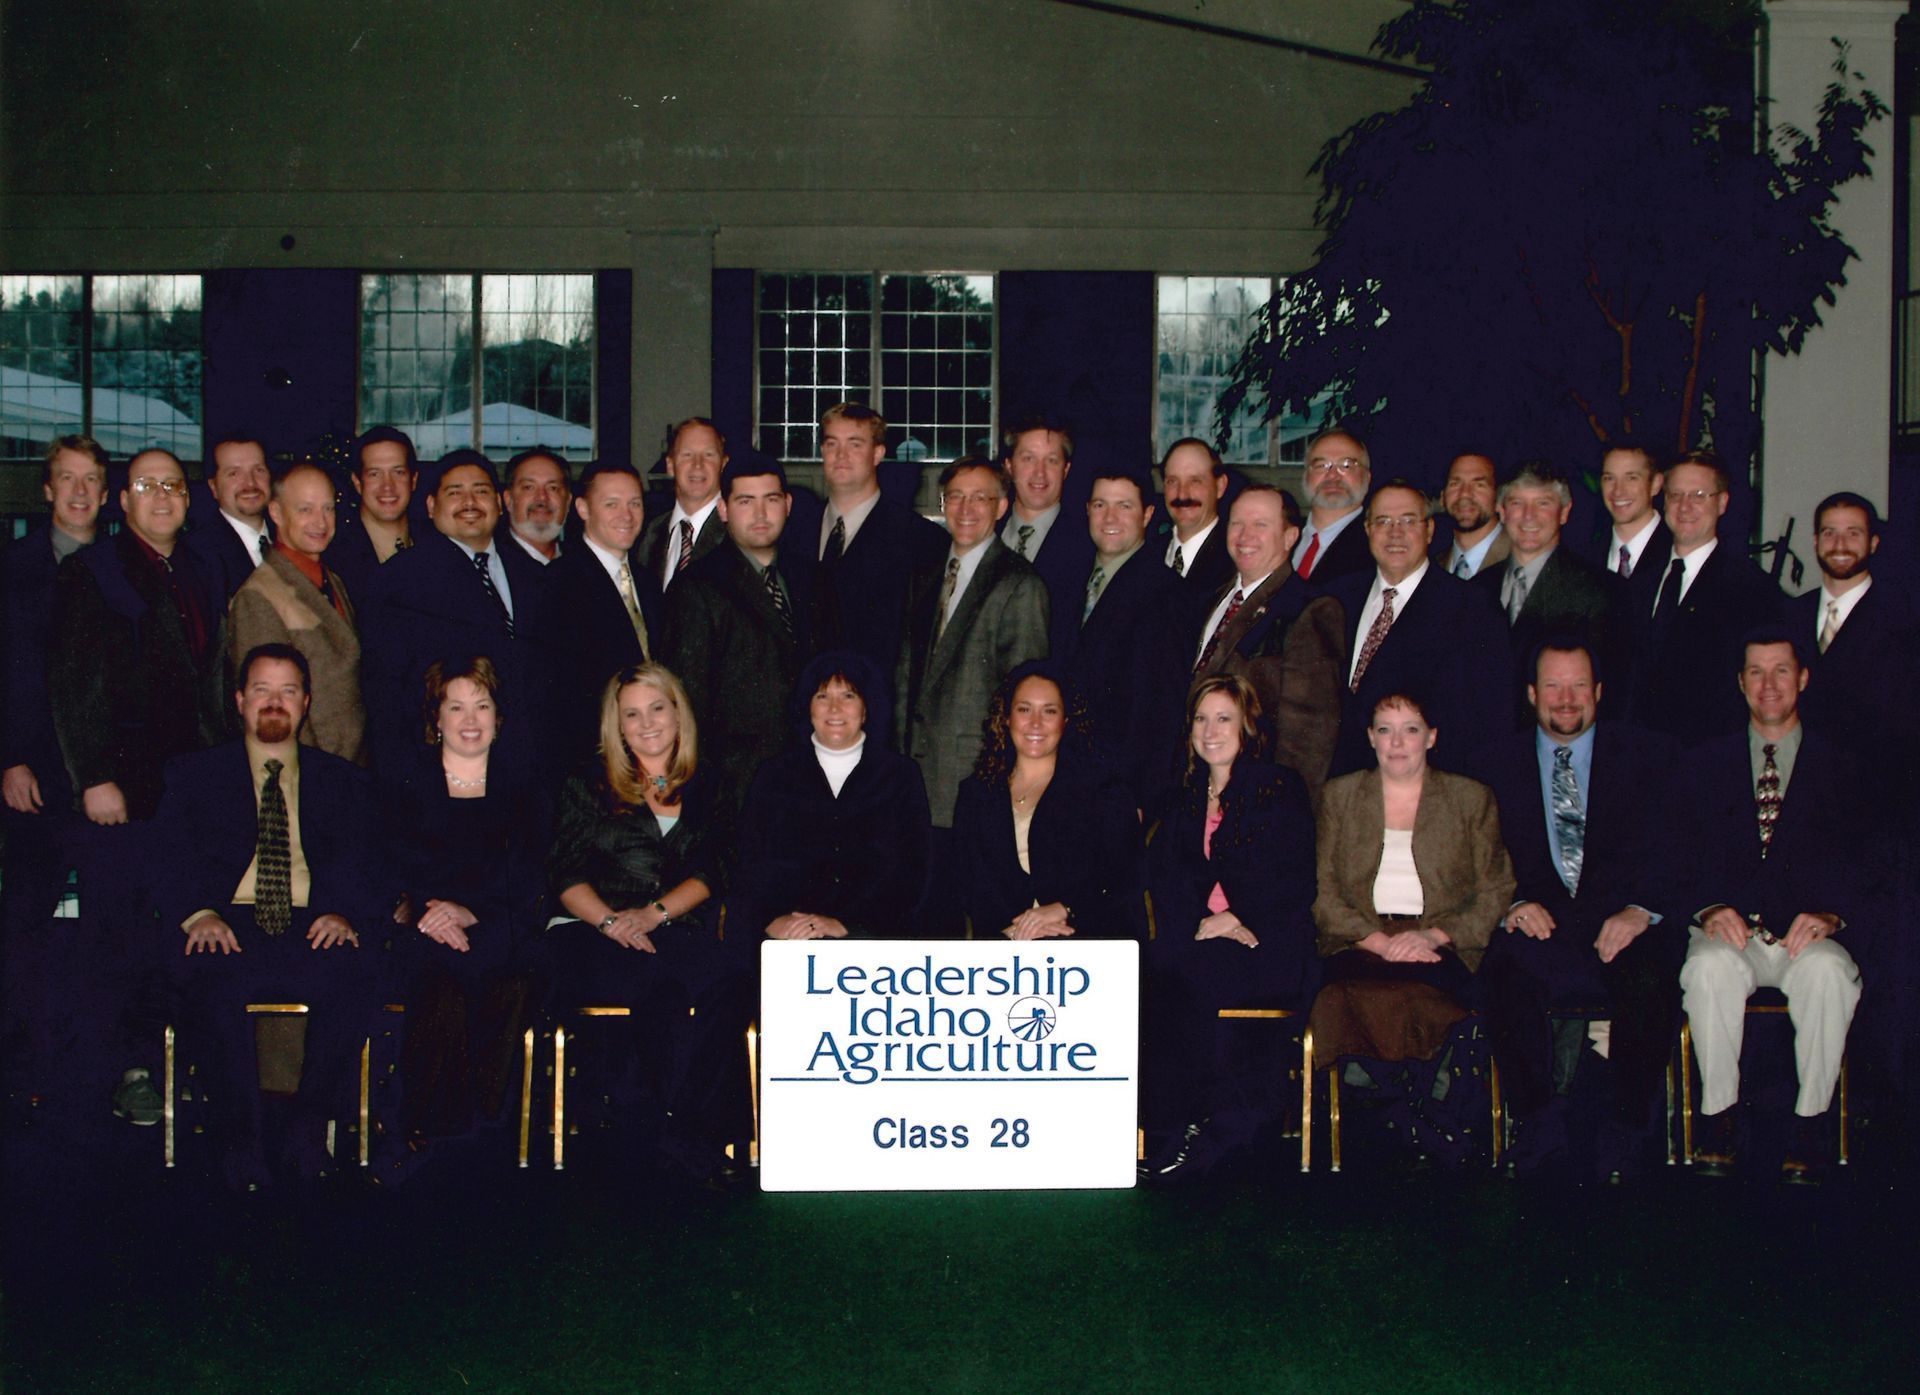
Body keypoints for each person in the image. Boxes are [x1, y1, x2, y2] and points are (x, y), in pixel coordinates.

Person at [50, 447, 230, 1125]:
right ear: (120, 501)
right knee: (117, 938)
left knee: (185, 929)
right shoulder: (91, 571)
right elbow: (73, 681)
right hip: (118, 793)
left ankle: (180, 1065)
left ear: (191, 499)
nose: (162, 496)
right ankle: (124, 1072)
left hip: (190, 792)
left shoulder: (203, 567)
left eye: (174, 486)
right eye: (146, 486)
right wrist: (92, 775)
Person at [160, 644, 382, 1189]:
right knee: (210, 984)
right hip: (228, 921)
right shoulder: (195, 775)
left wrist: (345, 913)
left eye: (287, 691)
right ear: (239, 701)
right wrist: (198, 914)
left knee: (355, 977)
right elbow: (165, 857)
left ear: (306, 703)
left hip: (313, 922)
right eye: (262, 690)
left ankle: (308, 1133)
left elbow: (371, 862)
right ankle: (239, 1141)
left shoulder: (343, 781)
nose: (274, 703)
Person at [1470, 641, 1682, 1180]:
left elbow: (1675, 849)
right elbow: (1475, 859)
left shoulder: (1649, 756)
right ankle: (1539, 1124)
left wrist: (1642, 910)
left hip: (1622, 927)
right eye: (1555, 687)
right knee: (1501, 973)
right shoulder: (1493, 765)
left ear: (1600, 693)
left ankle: (1628, 1130)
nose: (1567, 700)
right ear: (1532, 694)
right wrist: (1512, 904)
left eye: (1579, 686)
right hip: (1540, 927)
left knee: (1653, 976)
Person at [1672, 632, 1871, 1179]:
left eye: (1780, 670)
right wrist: (1709, 907)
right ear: (1740, 683)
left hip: (1809, 938)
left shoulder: (1843, 767)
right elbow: (1677, 856)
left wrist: (1833, 914)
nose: (1768, 685)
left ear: (1803, 678)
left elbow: (1868, 863)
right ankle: (1719, 1118)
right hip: (1730, 934)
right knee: (1709, 969)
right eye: (1755, 672)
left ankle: (1811, 1123)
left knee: (1829, 975)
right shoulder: (1700, 765)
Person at [545, 663, 751, 1181]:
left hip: (674, 924)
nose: (647, 723)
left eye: (657, 708)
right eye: (631, 714)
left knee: (731, 981)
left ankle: (684, 1129)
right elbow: (565, 875)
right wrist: (614, 921)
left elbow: (716, 869)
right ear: (616, 725)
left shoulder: (713, 782)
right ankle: (648, 1129)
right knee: (654, 985)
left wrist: (654, 913)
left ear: (679, 713)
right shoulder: (586, 783)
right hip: (596, 928)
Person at [1310, 690, 1514, 1153]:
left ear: (1432, 737)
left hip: (1440, 943)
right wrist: (1379, 942)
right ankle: (1395, 1109)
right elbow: (1321, 891)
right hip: (1359, 943)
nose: (1397, 742)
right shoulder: (1340, 796)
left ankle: (1417, 1106)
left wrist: (1434, 936)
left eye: (1410, 729)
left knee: (1426, 996)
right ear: (1370, 738)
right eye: (1385, 729)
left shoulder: (1470, 799)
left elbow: (1496, 889)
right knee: (1340, 997)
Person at [1141, 675, 1319, 1181]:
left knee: (1190, 975)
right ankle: (1169, 1127)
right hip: (1204, 939)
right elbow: (1166, 877)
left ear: (1247, 727)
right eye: (1201, 719)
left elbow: (1294, 878)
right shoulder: (1184, 796)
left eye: (1223, 718)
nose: (1210, 730)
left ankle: (1205, 1130)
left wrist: (1237, 918)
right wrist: (1202, 924)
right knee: (1159, 969)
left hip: (1267, 942)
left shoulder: (1278, 787)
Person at [380, 657, 548, 1167]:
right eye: (456, 707)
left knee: (511, 983)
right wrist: (430, 914)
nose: (470, 719)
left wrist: (469, 913)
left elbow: (530, 876)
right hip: (422, 931)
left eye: (482, 705)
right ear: (437, 718)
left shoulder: (526, 785)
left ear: (499, 717)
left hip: (501, 926)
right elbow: (388, 865)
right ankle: (430, 1129)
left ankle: (487, 1132)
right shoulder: (404, 781)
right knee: (442, 988)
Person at [896, 458, 1049, 931]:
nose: (965, 508)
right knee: (927, 926)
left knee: (987, 928)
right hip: (918, 785)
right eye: (955, 497)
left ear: (1002, 506)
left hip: (975, 788)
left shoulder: (1019, 584)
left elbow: (1024, 702)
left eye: (980, 497)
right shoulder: (924, 575)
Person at [1, 436, 108, 1096]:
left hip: (107, 783)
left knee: (107, 926)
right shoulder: (12, 567)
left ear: (106, 491)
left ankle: (94, 1067)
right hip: (31, 775)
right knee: (26, 922)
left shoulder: (126, 568)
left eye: (90, 479)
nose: (77, 491)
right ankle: (20, 1067)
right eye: (65, 479)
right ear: (46, 489)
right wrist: (9, 758)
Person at [360, 450, 557, 771]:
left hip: (530, 766)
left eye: (480, 491)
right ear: (430, 505)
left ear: (498, 502)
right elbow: (387, 696)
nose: (469, 502)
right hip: (441, 766)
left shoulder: (535, 576)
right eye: (455, 493)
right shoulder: (400, 581)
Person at [730, 653, 932, 941]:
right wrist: (773, 921)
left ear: (866, 709)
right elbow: (749, 864)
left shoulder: (901, 776)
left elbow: (913, 871)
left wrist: (845, 924)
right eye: (822, 696)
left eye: (848, 695)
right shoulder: (773, 775)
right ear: (807, 707)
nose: (834, 708)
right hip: (788, 935)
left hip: (873, 938)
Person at [1328, 480, 1509, 777]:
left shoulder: (1471, 608)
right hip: (1339, 792)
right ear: (1367, 530)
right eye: (1383, 521)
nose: (1395, 532)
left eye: (1408, 521)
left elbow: (1484, 722)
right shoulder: (1337, 599)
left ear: (1429, 530)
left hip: (1426, 790)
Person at [662, 456, 810, 818]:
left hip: (809, 782)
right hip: (735, 791)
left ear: (787, 505)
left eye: (771, 499)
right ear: (724, 509)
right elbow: (688, 701)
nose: (760, 514)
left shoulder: (813, 578)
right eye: (746, 501)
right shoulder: (697, 586)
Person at [951, 664, 1144, 942]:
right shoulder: (976, 793)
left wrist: (1065, 910)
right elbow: (970, 882)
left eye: (1049, 711)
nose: (1036, 723)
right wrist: (1017, 929)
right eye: (1024, 709)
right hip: (1003, 940)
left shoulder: (1103, 791)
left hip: (1083, 939)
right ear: (1006, 717)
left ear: (1065, 720)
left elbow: (1123, 877)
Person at [1191, 485, 1346, 799]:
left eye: (1260, 525)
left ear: (1290, 538)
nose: (1245, 535)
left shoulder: (1309, 609)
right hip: (1195, 791)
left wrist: (1282, 813)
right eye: (1237, 524)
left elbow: (1309, 740)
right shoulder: (1207, 600)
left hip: (1254, 800)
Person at [1058, 468, 1191, 816]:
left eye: (1124, 506)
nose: (1110, 517)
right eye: (1100, 505)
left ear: (1147, 514)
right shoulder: (1071, 581)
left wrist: (1140, 796)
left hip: (1120, 792)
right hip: (1067, 779)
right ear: (1087, 509)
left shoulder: (1166, 594)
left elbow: (1163, 708)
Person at [1626, 450, 1781, 747]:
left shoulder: (1751, 589)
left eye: (1699, 495)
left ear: (1722, 503)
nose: (1685, 507)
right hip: (1640, 755)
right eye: (1676, 495)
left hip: (1709, 756)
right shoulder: (1639, 583)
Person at [226, 462, 366, 764]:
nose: (321, 521)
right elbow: (267, 710)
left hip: (352, 764)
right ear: (276, 513)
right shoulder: (259, 595)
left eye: (328, 508)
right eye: (305, 510)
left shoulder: (331, 579)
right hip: (313, 770)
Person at [1472, 459, 1626, 724]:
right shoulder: (1476, 590)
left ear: (1564, 512)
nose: (1529, 516)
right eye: (1517, 503)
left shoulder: (1600, 591)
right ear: (1501, 510)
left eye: (1543, 503)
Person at [809, 402, 947, 669]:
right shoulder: (795, 530)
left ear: (878, 453)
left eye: (855, 444)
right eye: (832, 444)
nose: (841, 455)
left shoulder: (920, 539)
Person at [546, 461, 661, 747]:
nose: (627, 515)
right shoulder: (558, 582)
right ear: (583, 509)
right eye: (612, 504)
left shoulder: (648, 581)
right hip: (593, 751)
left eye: (635, 503)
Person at [999, 416, 1095, 632]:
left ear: (1066, 470)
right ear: (1009, 466)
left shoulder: (1088, 544)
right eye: (1028, 459)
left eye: (1051, 460)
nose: (1039, 473)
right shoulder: (985, 532)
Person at [322, 426, 419, 605]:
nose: (387, 486)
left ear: (413, 480)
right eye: (375, 474)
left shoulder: (435, 546)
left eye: (398, 472)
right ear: (357, 483)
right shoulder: (333, 558)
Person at [639, 417, 729, 587]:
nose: (698, 465)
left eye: (709, 455)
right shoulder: (650, 533)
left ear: (723, 464)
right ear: (670, 465)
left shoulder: (736, 531)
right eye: (687, 455)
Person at [186, 433, 275, 601]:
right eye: (234, 473)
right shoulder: (197, 556)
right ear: (214, 487)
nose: (250, 483)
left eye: (259, 470)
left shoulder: (294, 538)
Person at [1593, 441, 1670, 617]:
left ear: (1656, 484)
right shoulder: (1586, 556)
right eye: (1609, 478)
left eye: (1631, 478)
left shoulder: (1677, 552)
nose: (1618, 491)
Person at [1290, 427, 1374, 588]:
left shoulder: (1377, 546)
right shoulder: (1281, 538)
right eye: (1322, 465)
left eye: (1346, 465)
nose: (1333, 475)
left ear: (1367, 477)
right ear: (1306, 476)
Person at [1157, 437, 1235, 592]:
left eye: (1195, 481)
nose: (1182, 494)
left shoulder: (1235, 562)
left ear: (1220, 486)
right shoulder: (1147, 554)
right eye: (1172, 481)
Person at [1436, 452, 1507, 579]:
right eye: (1455, 484)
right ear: (1442, 498)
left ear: (1498, 498)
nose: (1465, 494)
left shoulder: (1519, 559)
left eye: (1479, 485)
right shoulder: (1430, 568)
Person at [498, 448, 571, 564]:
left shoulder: (586, 566)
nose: (542, 498)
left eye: (553, 488)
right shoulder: (491, 568)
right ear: (508, 500)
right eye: (529, 487)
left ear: (567, 501)